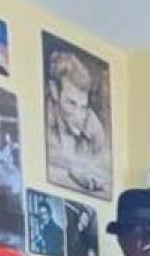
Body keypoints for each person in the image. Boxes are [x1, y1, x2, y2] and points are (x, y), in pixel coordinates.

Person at [45, 47, 109, 197]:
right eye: (71, 103)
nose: (78, 114)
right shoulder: (44, 120)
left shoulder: (92, 124)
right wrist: (73, 166)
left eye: (83, 106)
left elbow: (103, 163)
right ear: (54, 91)